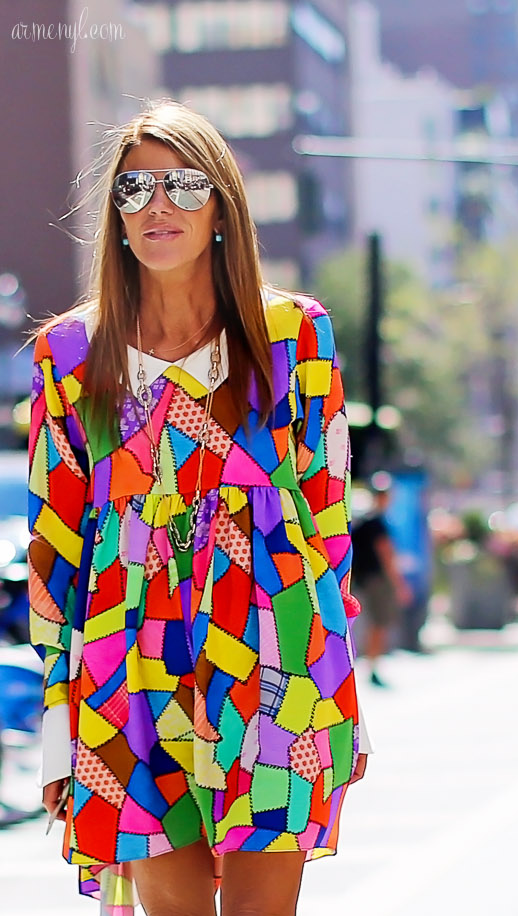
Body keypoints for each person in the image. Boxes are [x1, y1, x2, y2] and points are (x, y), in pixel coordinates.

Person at [27, 101, 367, 915]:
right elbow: (55, 546)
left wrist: (337, 676)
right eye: (134, 187)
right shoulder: (70, 355)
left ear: (221, 208)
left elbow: (325, 519)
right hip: (125, 665)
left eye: (181, 185)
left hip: (274, 652)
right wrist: (56, 725)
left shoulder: (291, 336)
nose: (156, 206)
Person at [350, 474, 413, 688]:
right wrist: (400, 585)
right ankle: (373, 667)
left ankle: (370, 665)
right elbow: (387, 556)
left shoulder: (364, 522)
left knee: (371, 624)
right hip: (378, 581)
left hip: (364, 580)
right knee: (379, 624)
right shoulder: (378, 524)